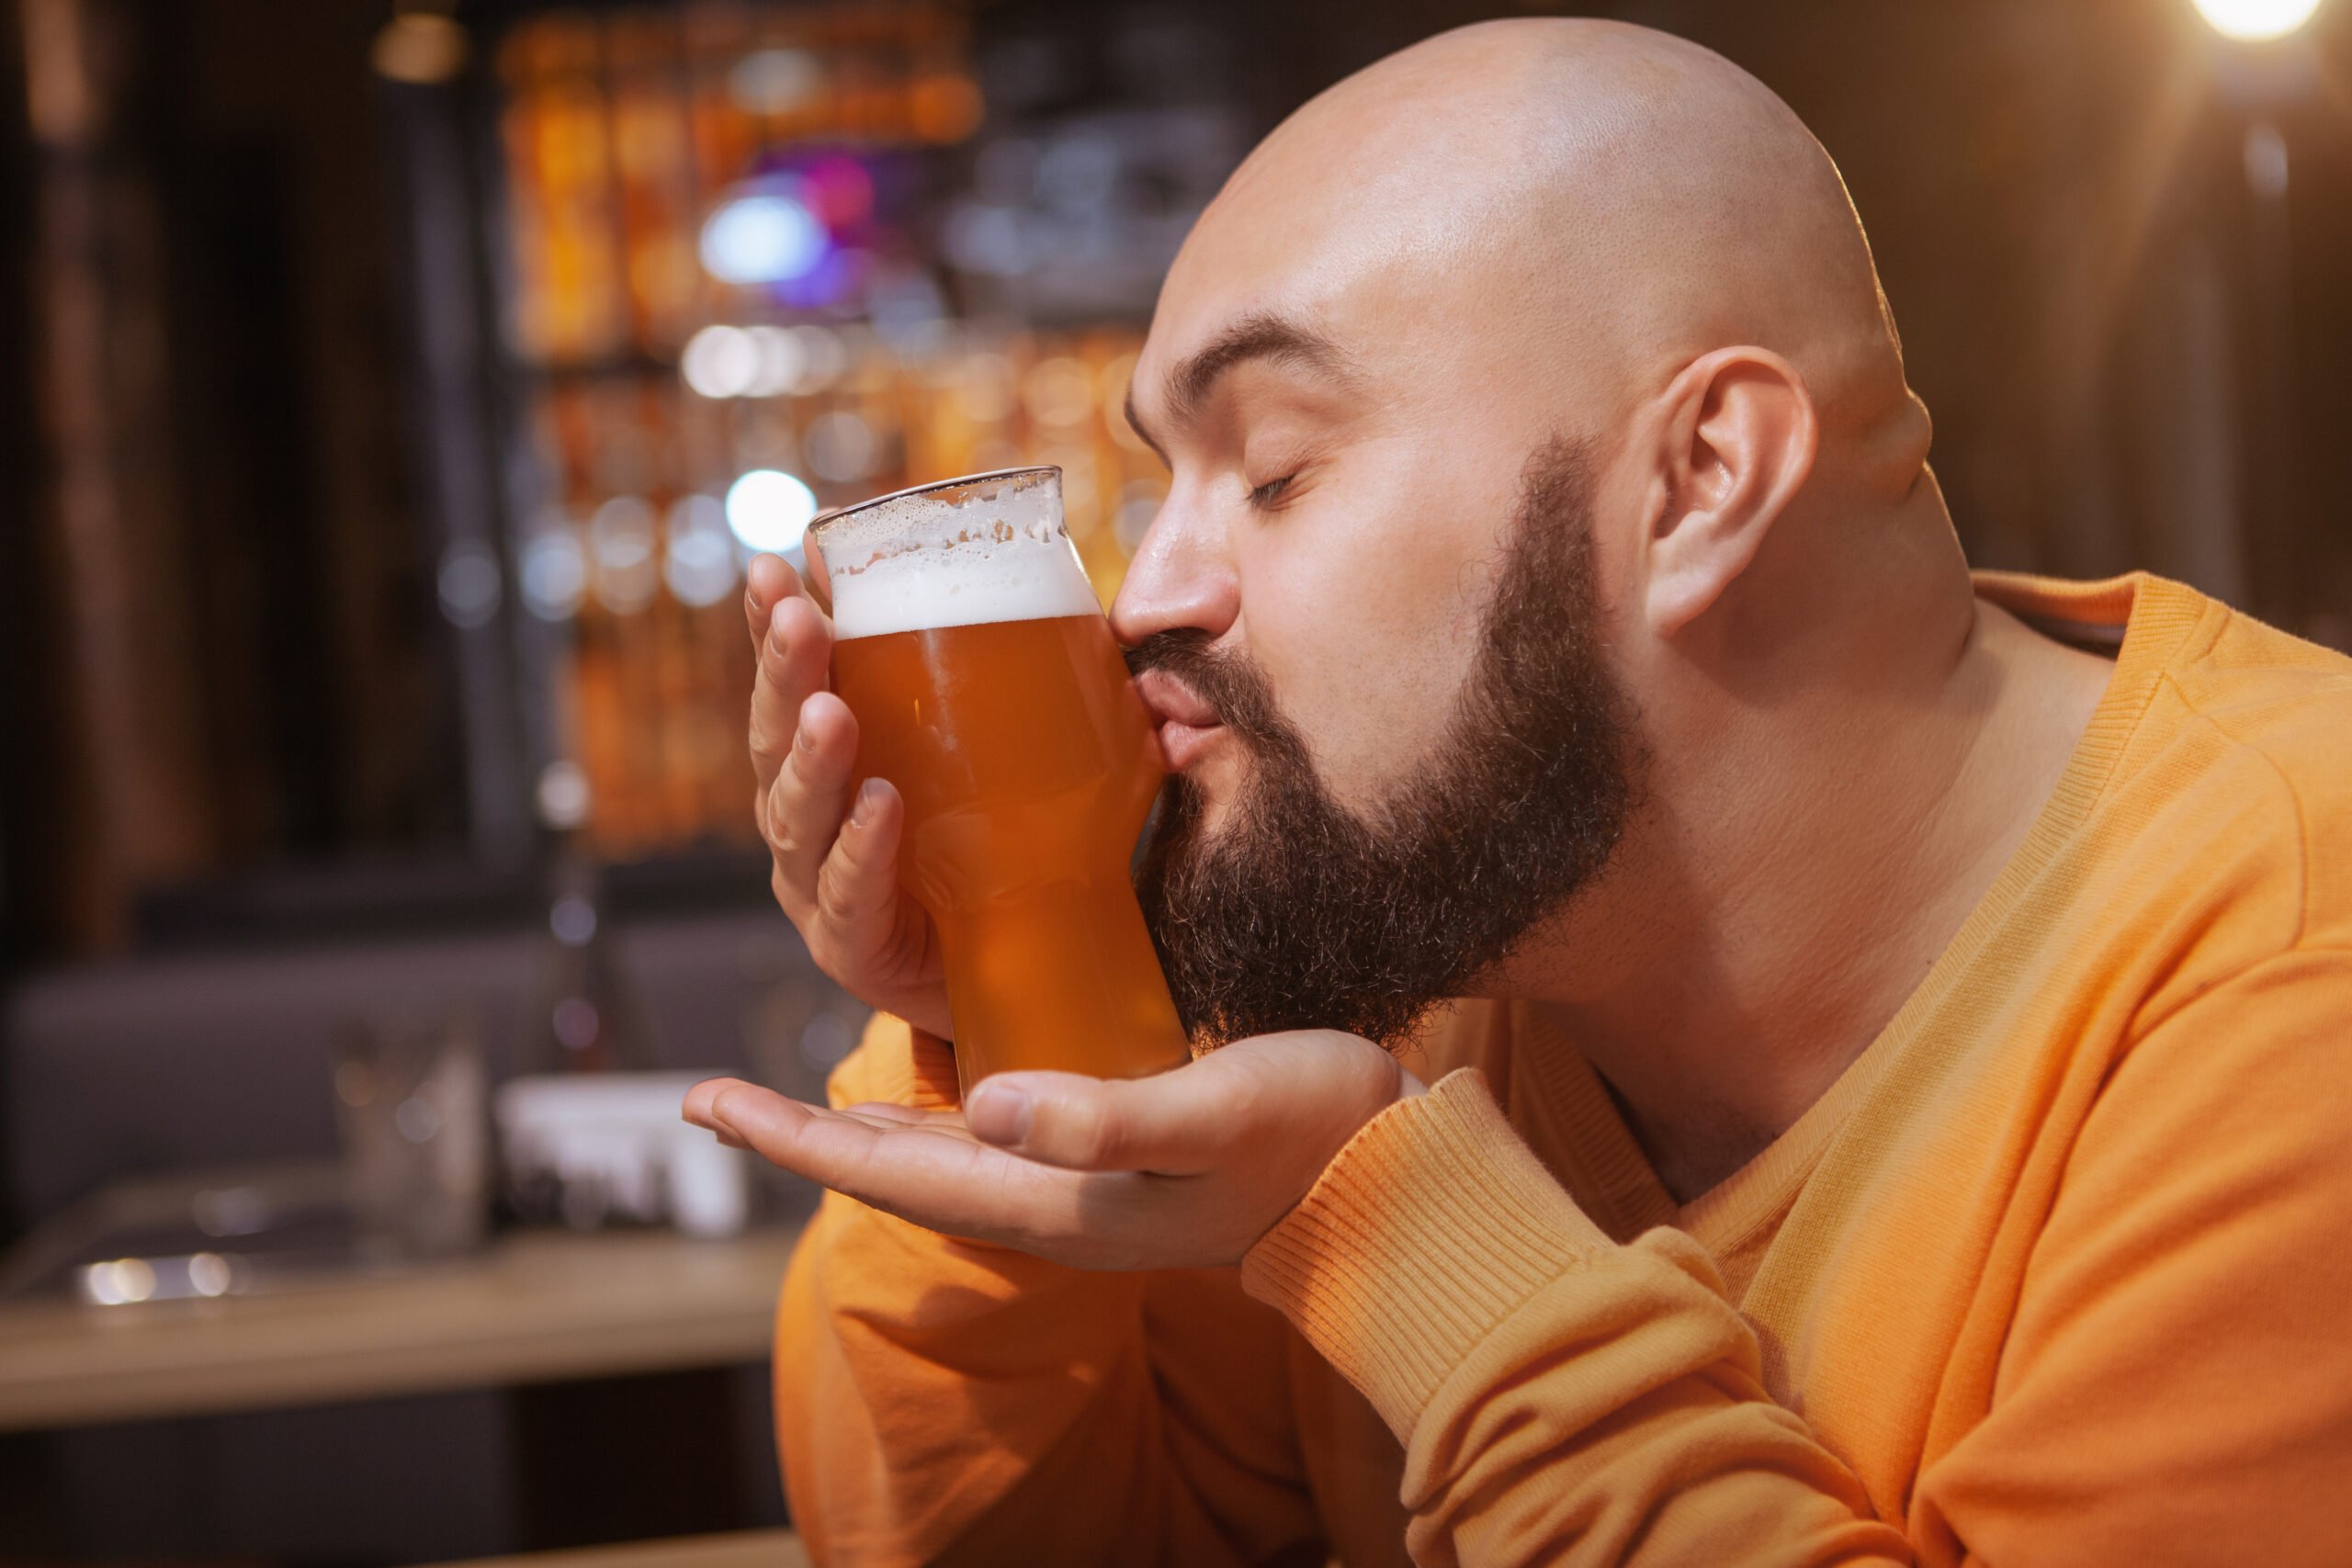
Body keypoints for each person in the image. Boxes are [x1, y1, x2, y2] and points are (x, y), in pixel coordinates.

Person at [685, 17, 2352, 1566]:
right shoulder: (1436, 929)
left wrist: (1392, 1231)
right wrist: (1013, 998)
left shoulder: (2291, 980)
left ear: (1701, 481)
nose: (1144, 597)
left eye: (1272, 470)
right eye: (1155, 485)